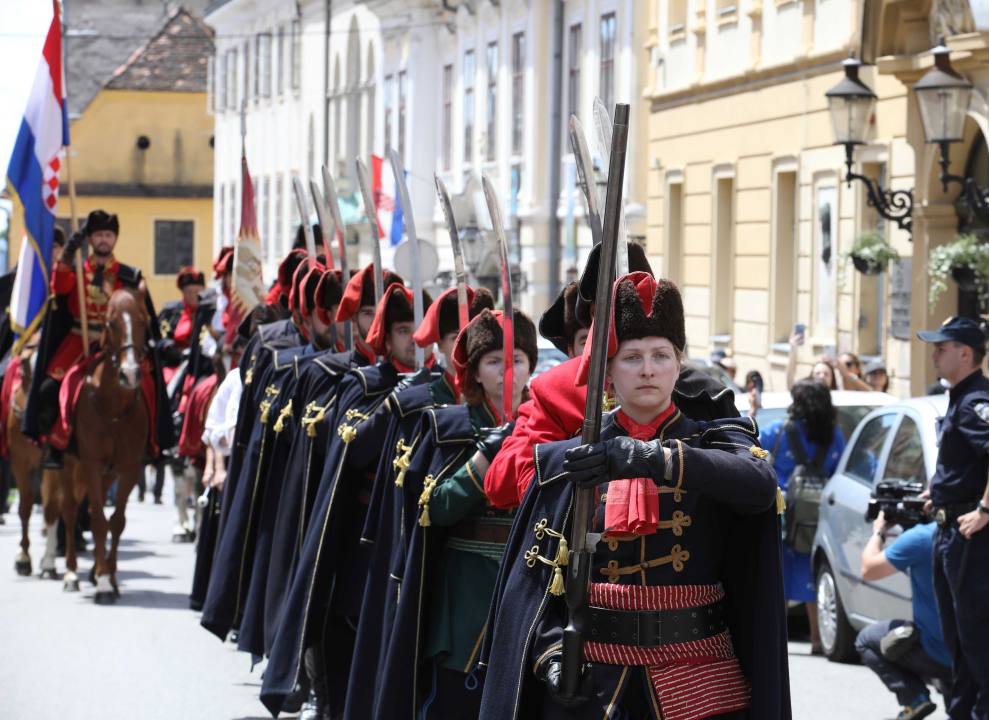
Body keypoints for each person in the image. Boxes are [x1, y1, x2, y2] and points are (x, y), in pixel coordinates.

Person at [479, 272, 789, 719]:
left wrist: (654, 458)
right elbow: (533, 587)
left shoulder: (714, 440)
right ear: (606, 370)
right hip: (596, 679)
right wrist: (550, 656)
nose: (648, 369)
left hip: (697, 672)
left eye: (661, 355)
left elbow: (760, 487)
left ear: (679, 365)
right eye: (632, 357)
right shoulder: (573, 458)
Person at [416, 308, 536, 719]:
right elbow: (436, 509)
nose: (508, 372)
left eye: (517, 360)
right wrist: (486, 455)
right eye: (494, 361)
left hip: (528, 582)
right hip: (465, 593)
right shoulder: (453, 426)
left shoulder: (552, 424)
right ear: (477, 373)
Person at [26, 209, 172, 469]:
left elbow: (145, 315)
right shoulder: (75, 270)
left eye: (108, 235)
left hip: (118, 345)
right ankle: (56, 446)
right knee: (49, 389)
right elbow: (59, 288)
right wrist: (68, 254)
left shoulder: (130, 276)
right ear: (90, 240)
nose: (104, 240)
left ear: (115, 239)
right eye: (98, 235)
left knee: (151, 385)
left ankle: (154, 444)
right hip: (77, 342)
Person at [916, 316, 989, 720]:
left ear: (965, 353)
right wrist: (938, 492)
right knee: (959, 644)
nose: (933, 355)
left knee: (977, 642)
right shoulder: (961, 397)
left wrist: (984, 509)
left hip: (970, 539)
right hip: (949, 531)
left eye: (941, 349)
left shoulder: (978, 400)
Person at [759, 378, 846, 655]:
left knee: (780, 575)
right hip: (818, 515)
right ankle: (818, 639)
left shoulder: (780, 429)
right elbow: (840, 473)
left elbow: (751, 452)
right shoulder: (834, 436)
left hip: (782, 512)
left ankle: (777, 640)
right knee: (815, 571)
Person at [856, 512, 952, 720]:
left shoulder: (922, 538)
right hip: (973, 653)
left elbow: (868, 569)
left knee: (866, 640)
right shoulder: (974, 533)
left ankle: (915, 697)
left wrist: (878, 533)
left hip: (936, 653)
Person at [412, 285, 495, 405]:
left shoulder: (503, 400)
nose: (467, 344)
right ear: (440, 345)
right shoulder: (418, 404)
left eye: (475, 335)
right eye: (456, 337)